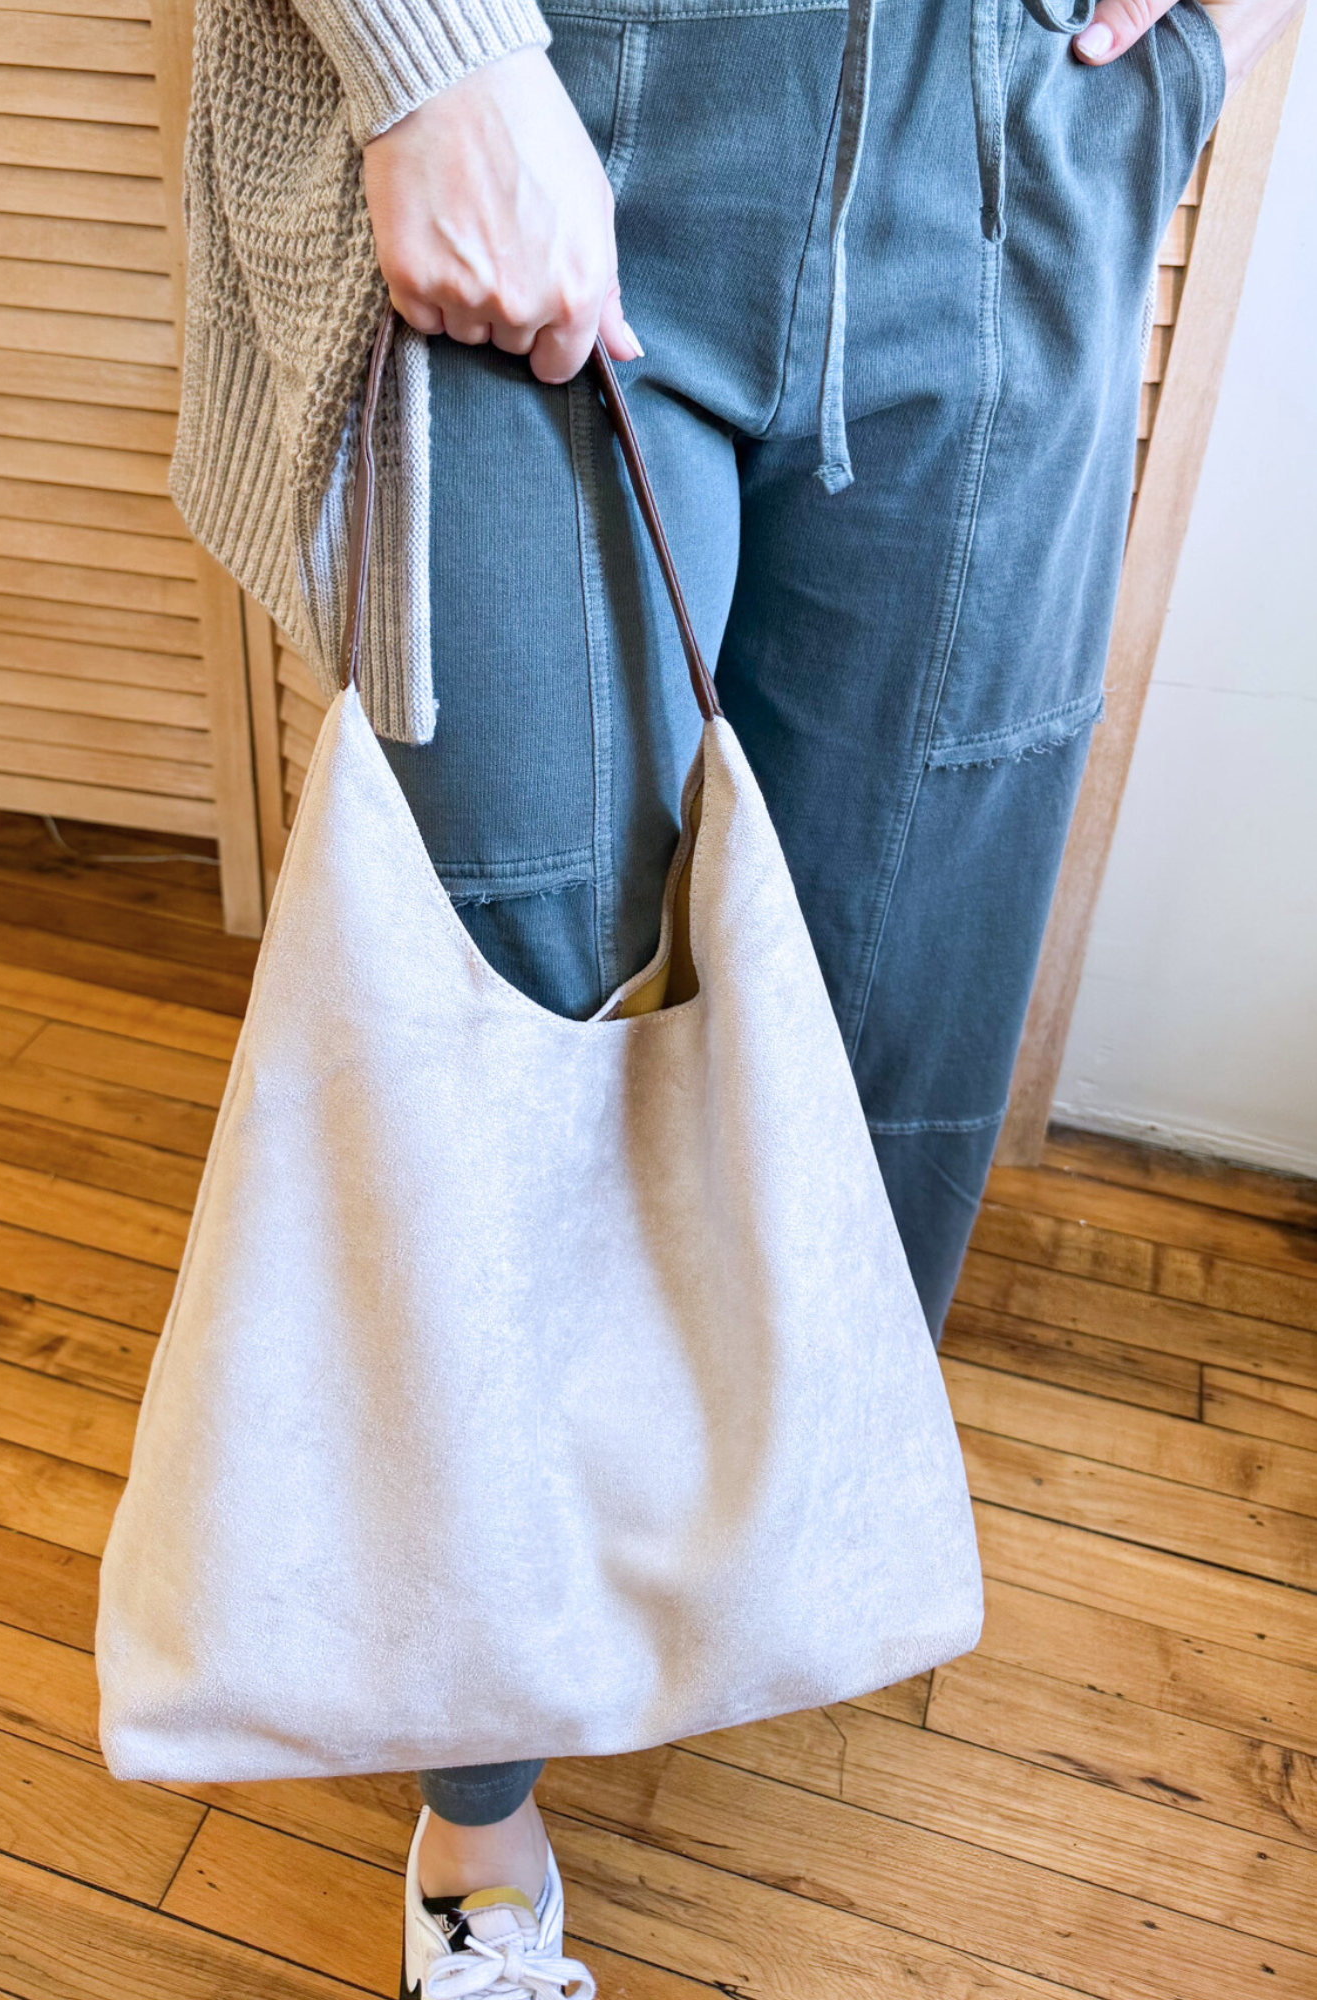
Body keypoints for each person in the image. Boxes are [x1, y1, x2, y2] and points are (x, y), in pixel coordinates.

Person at [165, 0, 1297, 1987]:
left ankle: (744, 1555)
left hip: (1017, 114)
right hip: (547, 85)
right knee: (508, 1014)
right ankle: (483, 1777)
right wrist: (422, 54)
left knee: (895, 994)